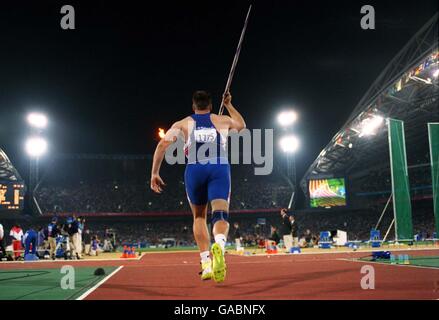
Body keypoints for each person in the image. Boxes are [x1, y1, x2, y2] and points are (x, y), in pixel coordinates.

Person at [150, 91, 245, 282]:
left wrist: (154, 173)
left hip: (195, 168)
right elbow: (241, 126)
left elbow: (162, 145)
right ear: (210, 106)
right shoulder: (222, 120)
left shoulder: (183, 123)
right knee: (220, 215)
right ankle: (219, 244)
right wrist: (228, 104)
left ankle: (206, 263)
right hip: (219, 166)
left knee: (199, 216)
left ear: (193, 107)